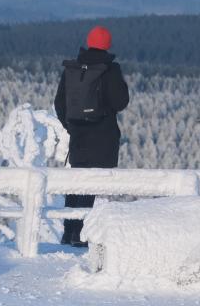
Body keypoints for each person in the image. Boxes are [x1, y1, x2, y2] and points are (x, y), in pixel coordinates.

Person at [54, 25, 129, 247]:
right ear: (108, 45)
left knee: (76, 183)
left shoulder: (73, 69)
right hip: (103, 136)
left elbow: (60, 103)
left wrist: (71, 127)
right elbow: (120, 102)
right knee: (92, 184)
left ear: (89, 41)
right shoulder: (110, 69)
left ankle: (69, 232)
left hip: (79, 137)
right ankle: (82, 234)